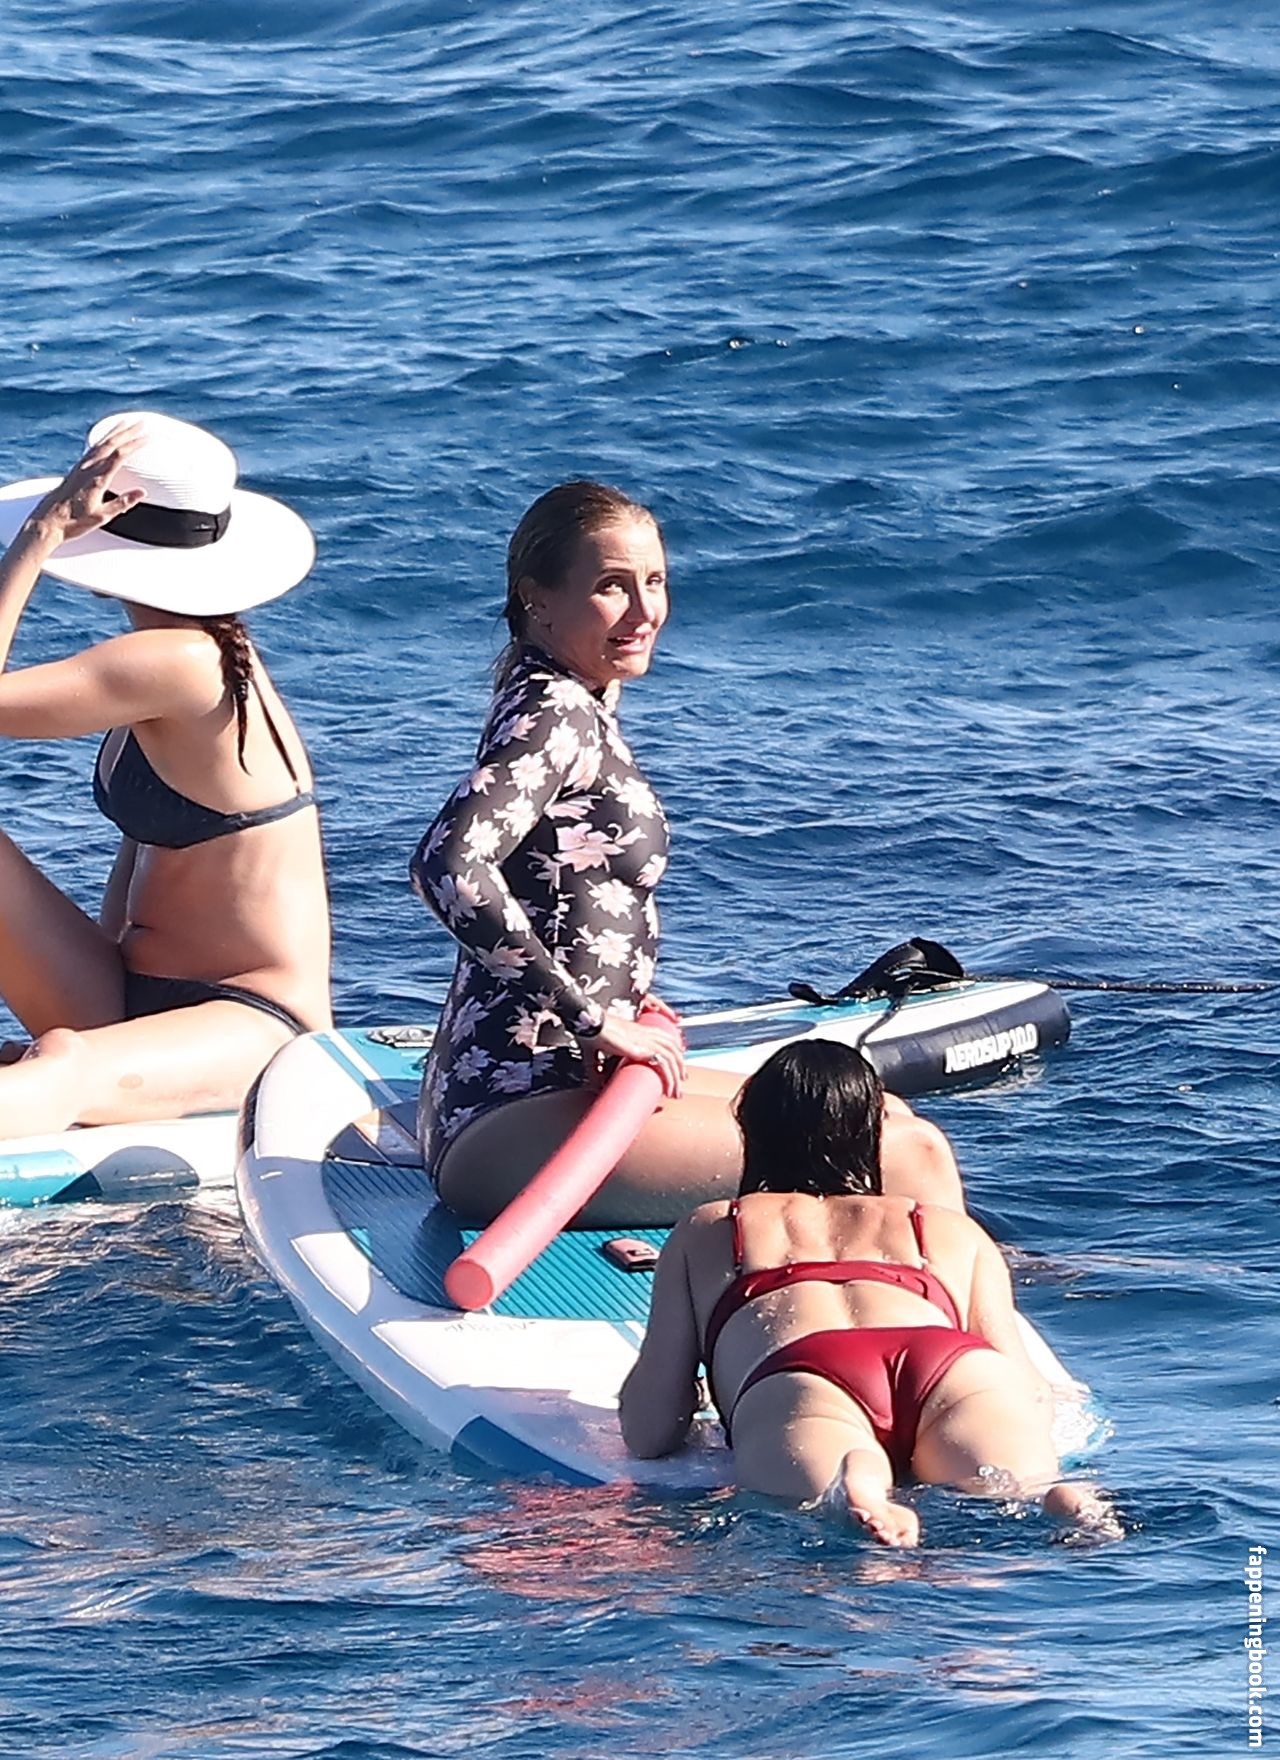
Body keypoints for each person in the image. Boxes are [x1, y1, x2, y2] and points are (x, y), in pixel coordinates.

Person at [410, 479, 964, 1223]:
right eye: (612, 586)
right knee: (909, 1155)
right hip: (517, 1115)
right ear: (537, 598)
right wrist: (593, 1017)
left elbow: (555, 885)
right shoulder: (556, 712)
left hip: (554, 1088)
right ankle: (984, 1290)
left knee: (885, 1114)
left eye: (655, 582)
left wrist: (617, 996)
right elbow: (449, 864)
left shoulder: (563, 696)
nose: (644, 612)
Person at [619, 1039, 1118, 1544]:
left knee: (821, 1505)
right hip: (953, 1368)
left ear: (751, 1128)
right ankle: (1057, 1497)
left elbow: (650, 1428)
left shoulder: (712, 1228)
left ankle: (858, 1480)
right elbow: (1029, 1389)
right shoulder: (949, 1229)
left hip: (805, 1374)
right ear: (873, 1131)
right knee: (1016, 1489)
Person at [0, 410, 331, 1136]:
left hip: (249, 1022)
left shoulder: (181, 662)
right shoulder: (178, 655)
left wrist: (40, 535)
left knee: (65, 1067)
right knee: (63, 1060)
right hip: (125, 993)